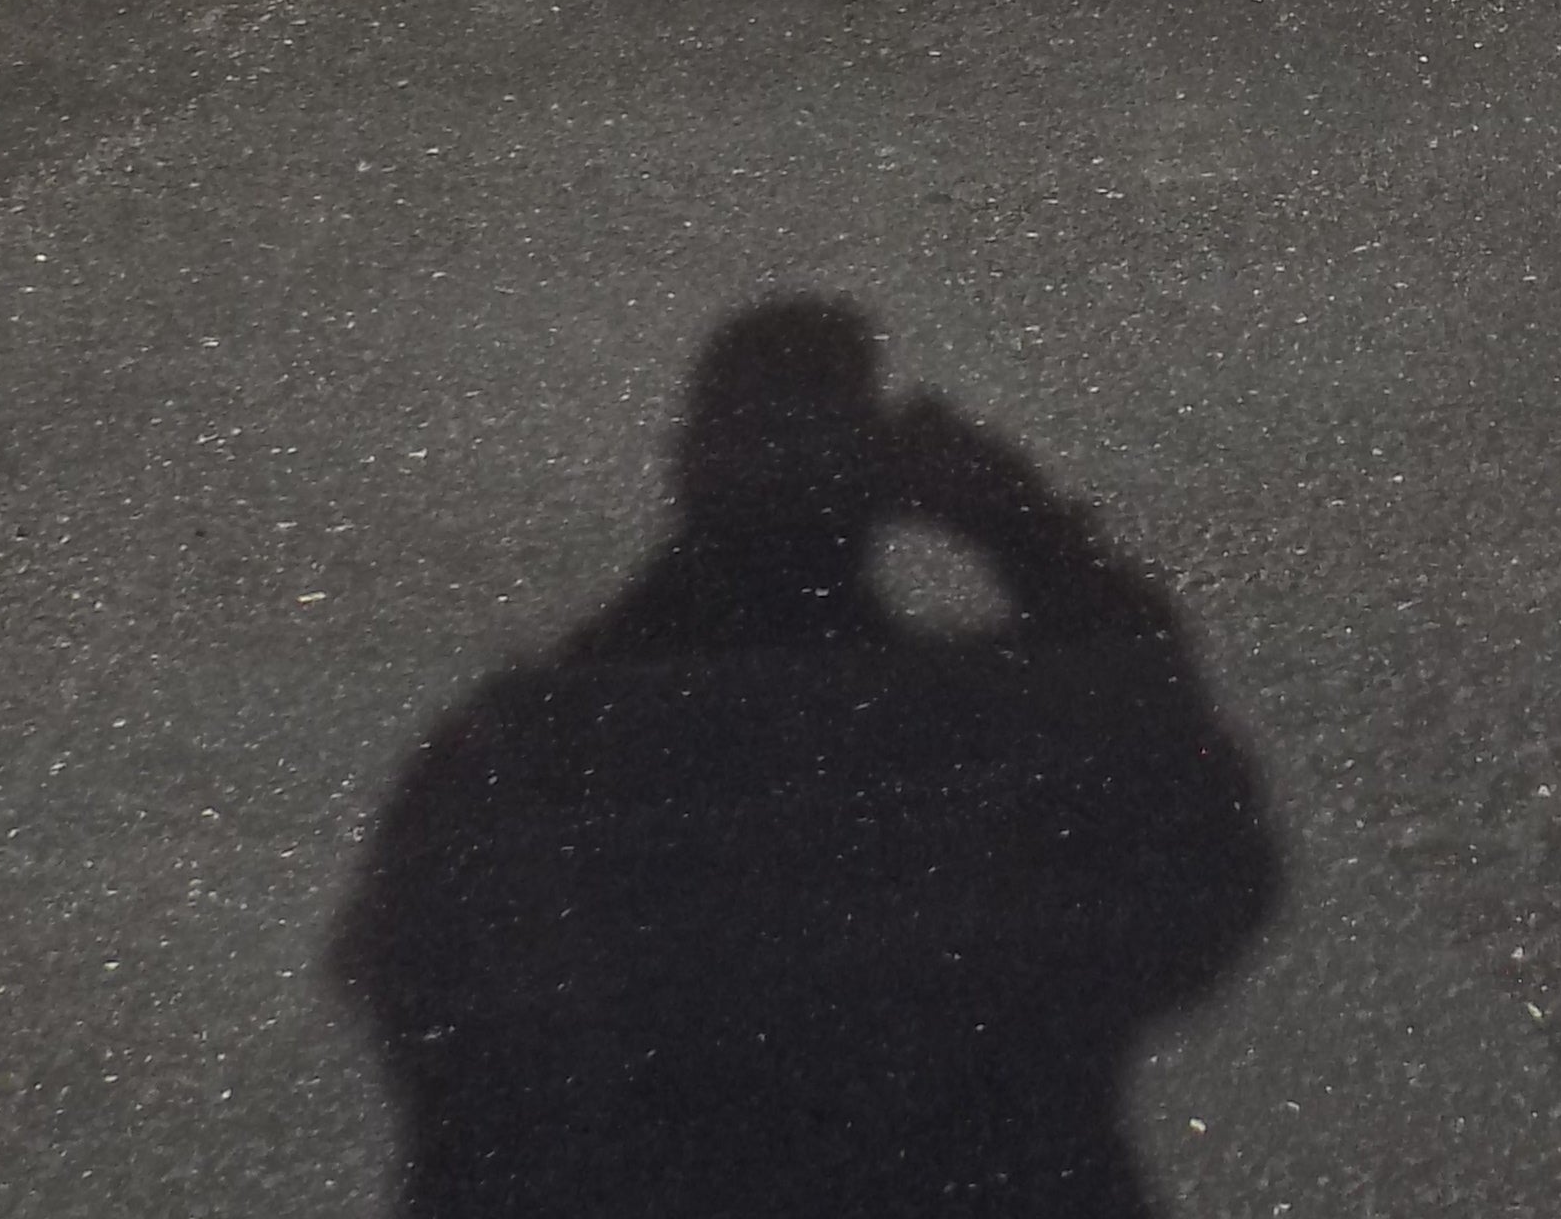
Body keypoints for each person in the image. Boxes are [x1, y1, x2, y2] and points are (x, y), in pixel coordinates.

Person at [336, 300, 1279, 1216]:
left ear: (686, 468)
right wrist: (1029, 532)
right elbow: (1202, 860)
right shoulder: (977, 737)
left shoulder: (532, 748)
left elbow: (424, 1011)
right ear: (879, 483)